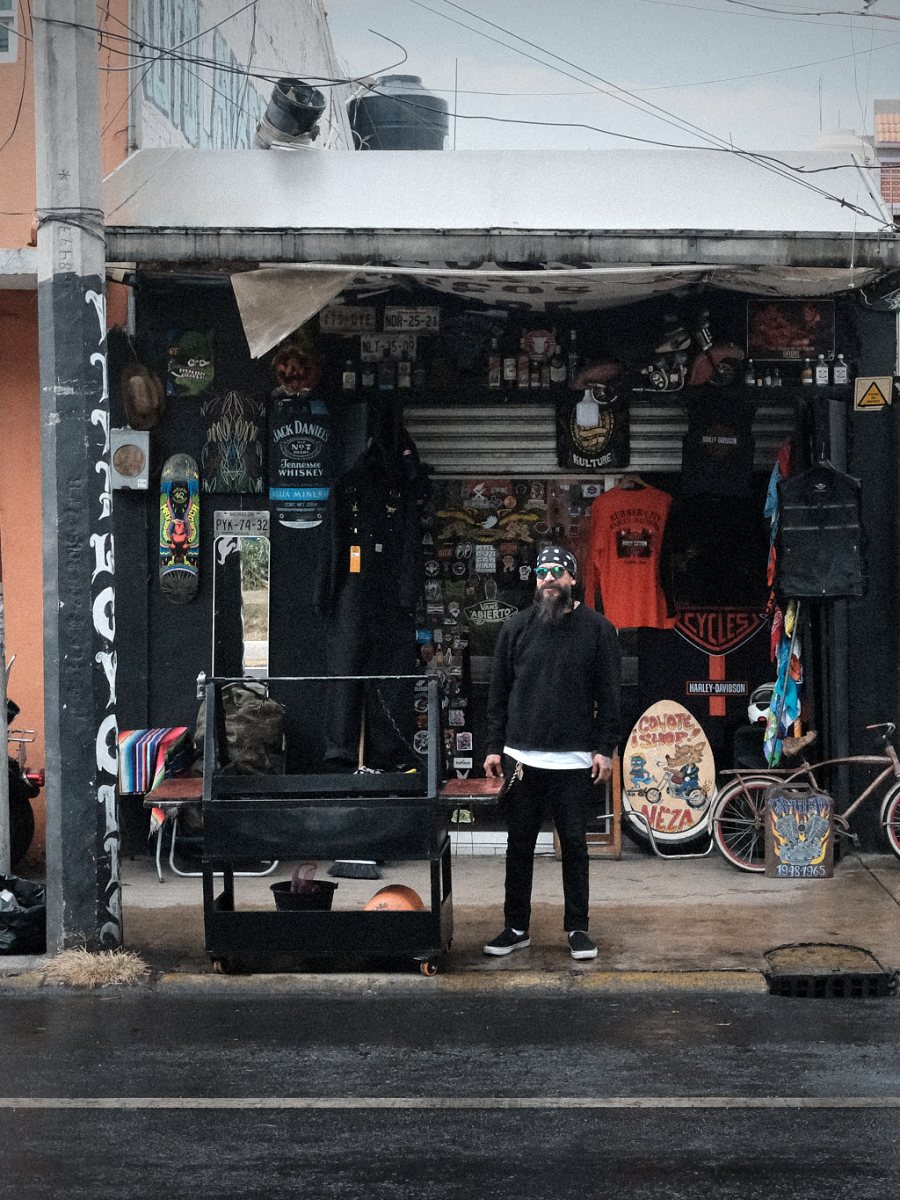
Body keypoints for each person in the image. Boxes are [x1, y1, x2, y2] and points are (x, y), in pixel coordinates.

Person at [482, 545, 621, 961]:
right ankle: (516, 927)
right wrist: (492, 747)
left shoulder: (597, 629)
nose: (548, 579)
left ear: (572, 579)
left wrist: (604, 748)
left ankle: (578, 928)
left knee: (575, 846)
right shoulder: (515, 627)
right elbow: (498, 693)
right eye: (541, 572)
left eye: (557, 572)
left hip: (575, 759)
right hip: (521, 759)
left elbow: (609, 696)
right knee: (518, 845)